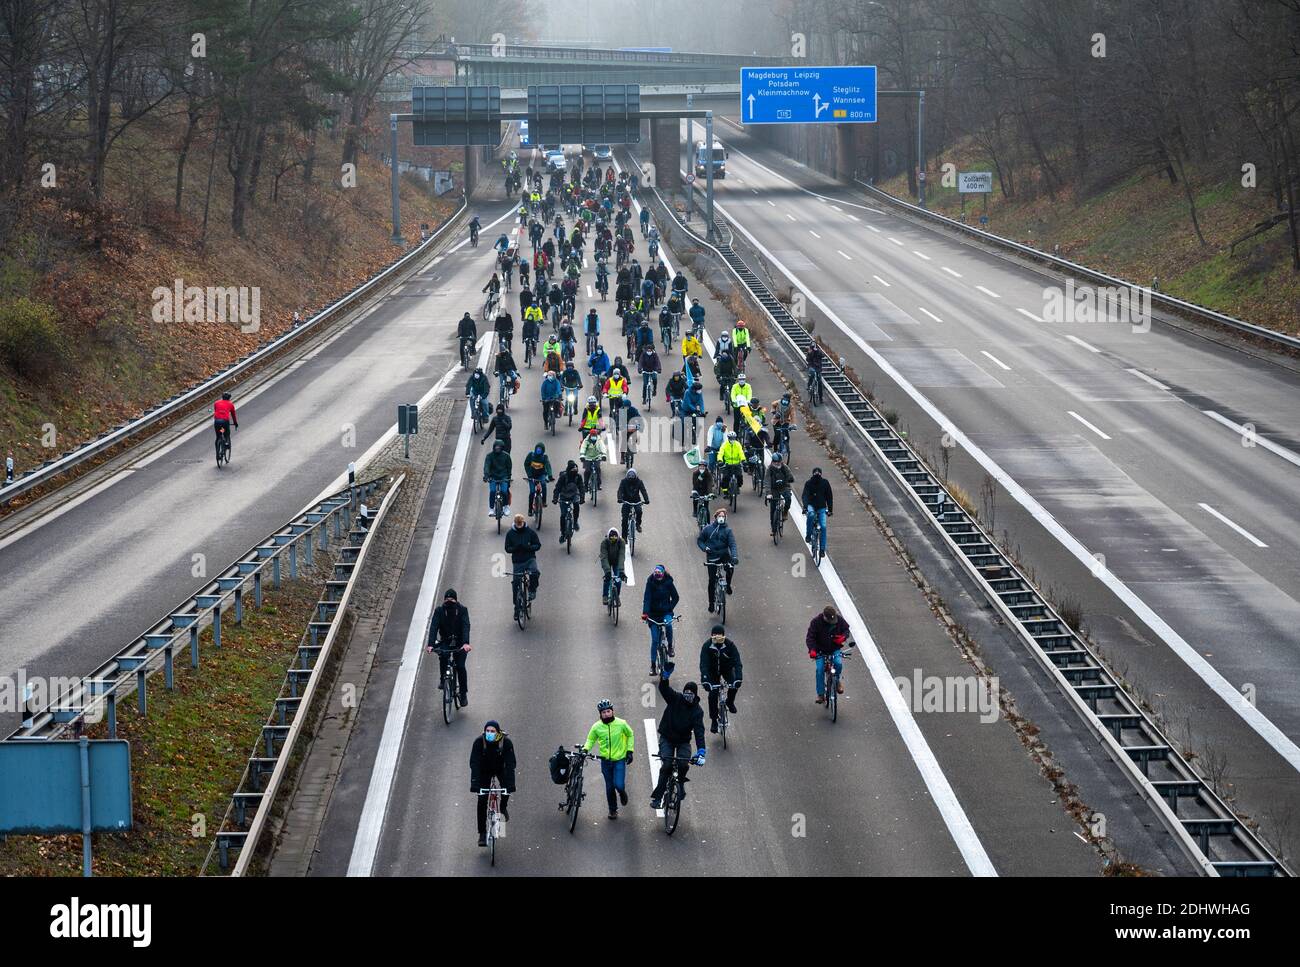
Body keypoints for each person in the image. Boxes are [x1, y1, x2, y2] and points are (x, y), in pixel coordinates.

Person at [649, 665, 706, 810]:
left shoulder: (697, 711)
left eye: (690, 694)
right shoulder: (675, 698)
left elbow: (699, 732)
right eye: (686, 693)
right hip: (667, 738)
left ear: (695, 695)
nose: (688, 696)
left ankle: (680, 783)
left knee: (683, 764)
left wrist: (701, 751)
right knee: (667, 765)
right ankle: (658, 797)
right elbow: (664, 689)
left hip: (683, 741)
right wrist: (665, 677)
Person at [584, 699, 635, 820]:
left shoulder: (621, 723)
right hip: (606, 762)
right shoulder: (596, 727)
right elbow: (590, 739)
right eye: (604, 712)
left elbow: (630, 734)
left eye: (608, 711)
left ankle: (622, 792)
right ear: (600, 714)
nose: (606, 714)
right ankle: (613, 810)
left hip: (619, 760)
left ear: (612, 711)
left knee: (618, 784)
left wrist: (630, 751)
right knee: (609, 787)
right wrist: (586, 748)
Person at [470, 721, 517, 846]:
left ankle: (502, 808)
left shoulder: (506, 743)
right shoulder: (479, 742)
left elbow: (511, 764)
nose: (489, 733)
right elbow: (474, 763)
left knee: (506, 789)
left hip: (500, 769)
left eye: (492, 731)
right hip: (484, 771)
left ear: (498, 732)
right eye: (487, 731)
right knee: (481, 800)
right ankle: (482, 833)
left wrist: (511, 785)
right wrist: (475, 784)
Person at [426, 589, 471, 707]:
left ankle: (463, 693)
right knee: (443, 655)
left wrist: (466, 643)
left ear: (456, 600)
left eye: (451, 600)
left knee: (460, 666)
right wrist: (430, 644)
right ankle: (443, 680)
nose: (449, 602)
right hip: (446, 640)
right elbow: (433, 627)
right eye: (447, 599)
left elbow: (466, 627)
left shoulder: (462, 610)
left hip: (460, 643)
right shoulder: (439, 611)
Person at [699, 624, 743, 733]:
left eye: (720, 636)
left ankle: (730, 701)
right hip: (712, 672)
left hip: (726, 669)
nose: (717, 639)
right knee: (713, 695)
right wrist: (705, 679)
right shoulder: (706, 646)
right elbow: (703, 664)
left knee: (734, 684)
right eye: (715, 636)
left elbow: (737, 662)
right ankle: (714, 719)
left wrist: (739, 677)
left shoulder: (730, 645)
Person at [697, 508, 738, 614]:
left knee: (730, 568)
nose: (721, 518)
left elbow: (732, 544)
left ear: (725, 518)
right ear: (715, 517)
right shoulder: (707, 529)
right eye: (719, 516)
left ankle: (728, 585)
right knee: (711, 580)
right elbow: (700, 540)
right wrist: (704, 548)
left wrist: (734, 557)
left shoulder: (728, 531)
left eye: (723, 516)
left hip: (724, 555)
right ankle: (711, 603)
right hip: (712, 556)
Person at [807, 605, 851, 704]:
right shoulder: (816, 622)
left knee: (838, 663)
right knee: (820, 669)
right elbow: (810, 638)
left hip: (834, 649)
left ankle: (837, 680)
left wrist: (843, 637)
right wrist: (812, 650)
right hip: (820, 651)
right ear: (824, 617)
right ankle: (821, 694)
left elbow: (846, 630)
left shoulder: (839, 620)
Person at [641, 564, 680, 675]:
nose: (657, 578)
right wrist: (645, 613)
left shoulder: (668, 583)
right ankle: (653, 666)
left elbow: (676, 597)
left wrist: (669, 608)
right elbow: (647, 599)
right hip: (653, 615)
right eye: (656, 575)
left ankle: (670, 646)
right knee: (654, 641)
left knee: (668, 625)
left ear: (663, 575)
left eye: (659, 575)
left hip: (665, 613)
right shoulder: (650, 583)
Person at [505, 514, 542, 600]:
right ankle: (516, 607)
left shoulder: (530, 532)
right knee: (516, 584)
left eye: (520, 524)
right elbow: (507, 548)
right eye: (518, 524)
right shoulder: (510, 534)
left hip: (530, 559)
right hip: (517, 561)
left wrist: (529, 548)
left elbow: (538, 545)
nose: (519, 526)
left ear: (523, 522)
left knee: (534, 573)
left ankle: (532, 590)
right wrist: (515, 548)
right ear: (514, 523)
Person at [802, 466, 834, 555]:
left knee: (823, 527)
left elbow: (829, 497)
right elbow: (805, 496)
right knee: (811, 515)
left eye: (818, 473)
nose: (817, 475)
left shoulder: (825, 483)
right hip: (811, 505)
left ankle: (822, 549)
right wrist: (805, 507)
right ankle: (808, 535)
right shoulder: (808, 483)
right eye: (816, 473)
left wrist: (830, 509)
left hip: (821, 508)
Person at [553, 459, 585, 540]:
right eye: (573, 470)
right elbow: (557, 488)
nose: (575, 471)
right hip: (563, 496)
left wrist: (582, 498)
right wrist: (555, 498)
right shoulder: (563, 477)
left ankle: (575, 522)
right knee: (563, 515)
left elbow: (581, 487)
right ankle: (563, 533)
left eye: (576, 470)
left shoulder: (578, 477)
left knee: (576, 505)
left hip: (574, 495)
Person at [482, 438, 511, 516]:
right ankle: (491, 509)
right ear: (494, 447)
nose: (497, 448)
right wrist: (486, 475)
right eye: (496, 447)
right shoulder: (489, 456)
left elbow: (509, 468)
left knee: (504, 491)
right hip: (493, 477)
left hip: (503, 476)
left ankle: (506, 506)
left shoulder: (506, 456)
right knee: (492, 491)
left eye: (499, 447)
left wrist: (508, 478)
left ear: (502, 447)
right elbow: (486, 466)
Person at [523, 441, 554, 512]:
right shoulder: (531, 455)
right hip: (532, 476)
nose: (538, 450)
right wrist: (529, 474)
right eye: (537, 449)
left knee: (543, 484)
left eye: (540, 449)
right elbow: (526, 464)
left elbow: (548, 466)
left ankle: (543, 501)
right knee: (532, 492)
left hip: (541, 475)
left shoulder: (544, 457)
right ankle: (530, 509)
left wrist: (550, 476)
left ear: (543, 450)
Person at [617, 467, 649, 533]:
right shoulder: (623, 481)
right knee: (624, 520)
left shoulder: (639, 482)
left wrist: (646, 500)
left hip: (636, 501)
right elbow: (620, 490)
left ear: (635, 476)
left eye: (632, 476)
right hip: (626, 501)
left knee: (639, 511)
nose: (631, 478)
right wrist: (619, 498)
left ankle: (638, 524)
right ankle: (624, 537)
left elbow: (643, 491)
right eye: (630, 476)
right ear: (627, 476)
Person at [599, 527, 626, 605]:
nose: (613, 540)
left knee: (618, 579)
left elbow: (621, 556)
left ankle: (617, 596)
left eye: (615, 539)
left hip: (617, 562)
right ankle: (605, 596)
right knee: (607, 578)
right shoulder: (604, 543)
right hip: (607, 560)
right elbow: (603, 557)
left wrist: (621, 570)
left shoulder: (621, 542)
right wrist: (607, 571)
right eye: (611, 539)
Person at [717, 430, 746, 498]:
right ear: (728, 438)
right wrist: (720, 460)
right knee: (725, 478)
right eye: (731, 438)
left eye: (734, 438)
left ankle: (737, 487)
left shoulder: (738, 444)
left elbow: (741, 453)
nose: (732, 439)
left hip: (736, 464)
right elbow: (721, 453)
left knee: (739, 476)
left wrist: (743, 460)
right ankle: (725, 492)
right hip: (728, 464)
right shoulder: (725, 444)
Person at [579, 426, 607, 493]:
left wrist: (604, 455)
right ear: (590, 435)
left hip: (597, 457)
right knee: (587, 471)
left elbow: (602, 447)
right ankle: (585, 485)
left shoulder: (599, 440)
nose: (594, 436)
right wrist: (582, 456)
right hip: (587, 458)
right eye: (593, 435)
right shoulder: (586, 440)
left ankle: (598, 484)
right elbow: (583, 447)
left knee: (597, 469)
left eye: (595, 435)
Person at [767, 451, 795, 519]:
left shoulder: (785, 467)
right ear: (772, 461)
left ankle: (785, 511)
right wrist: (768, 493)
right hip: (774, 489)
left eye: (778, 461)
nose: (776, 463)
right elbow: (767, 481)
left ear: (781, 461)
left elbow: (791, 476)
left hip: (784, 487)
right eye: (775, 461)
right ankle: (773, 525)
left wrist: (790, 479)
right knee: (773, 507)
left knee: (788, 499)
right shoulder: (770, 469)